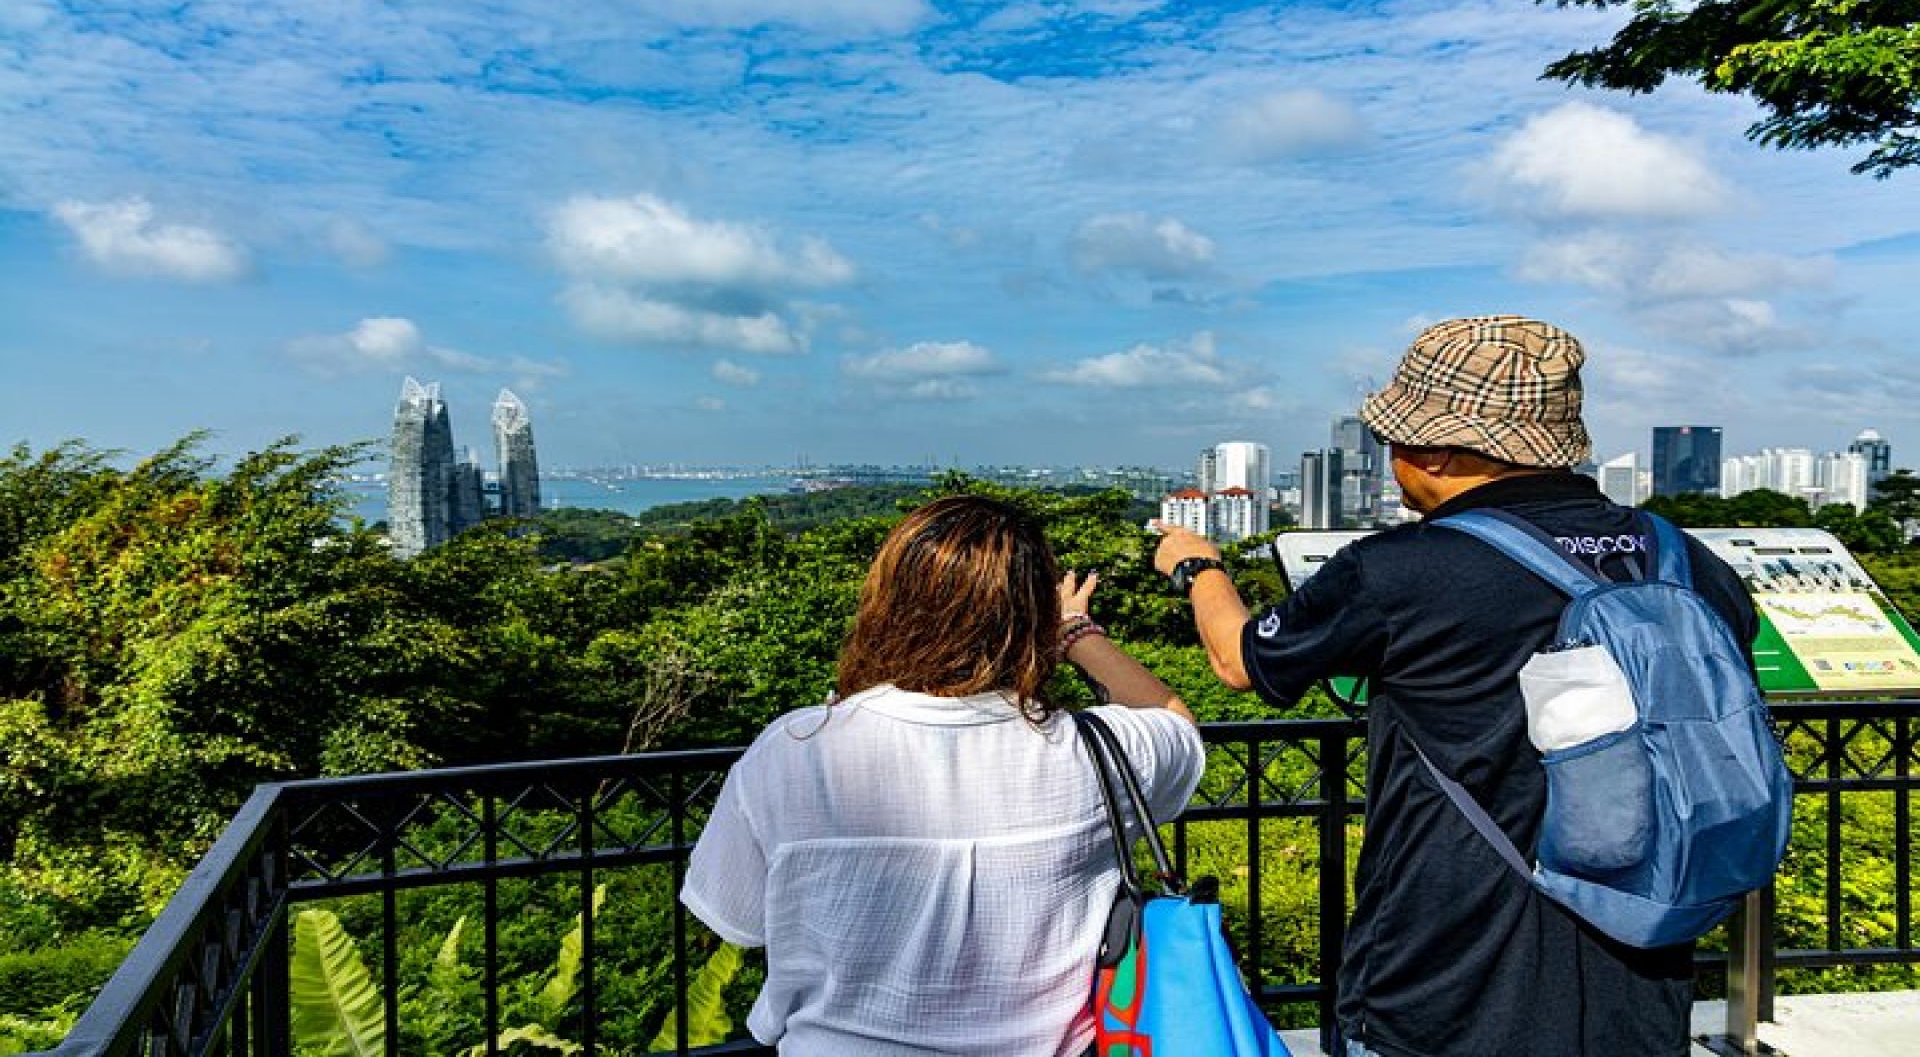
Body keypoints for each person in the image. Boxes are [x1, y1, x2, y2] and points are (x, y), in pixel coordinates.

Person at [1153, 316, 1758, 1056]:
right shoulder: (1683, 557)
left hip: (1445, 972)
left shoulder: (1401, 569)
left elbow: (1239, 661)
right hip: (1640, 959)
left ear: (1435, 448)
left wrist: (1197, 566)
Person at [683, 495, 1206, 1056]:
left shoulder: (795, 750)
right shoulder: (1092, 753)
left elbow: (738, 919)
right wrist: (1078, 632)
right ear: (1033, 620)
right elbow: (1176, 726)